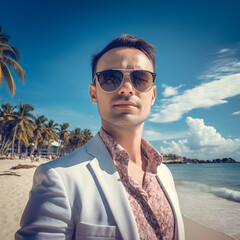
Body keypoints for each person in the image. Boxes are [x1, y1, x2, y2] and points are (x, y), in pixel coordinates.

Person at [15, 34, 184, 240]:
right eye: (110, 78)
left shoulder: (164, 174)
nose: (126, 88)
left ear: (153, 94)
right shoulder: (57, 178)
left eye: (140, 78)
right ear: (93, 93)